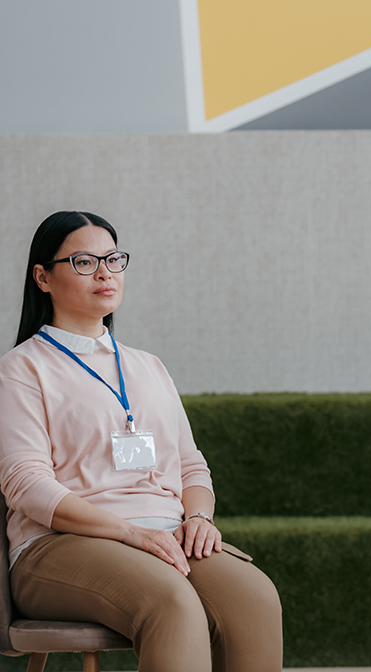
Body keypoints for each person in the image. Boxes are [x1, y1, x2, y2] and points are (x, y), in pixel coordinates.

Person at [0, 212, 282, 672]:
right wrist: (131, 534)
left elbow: (191, 465)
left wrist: (198, 518)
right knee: (171, 600)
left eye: (114, 259)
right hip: (59, 544)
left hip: (166, 536)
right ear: (42, 277)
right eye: (85, 262)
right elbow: (26, 484)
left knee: (254, 597)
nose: (106, 273)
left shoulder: (148, 366)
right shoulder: (22, 368)